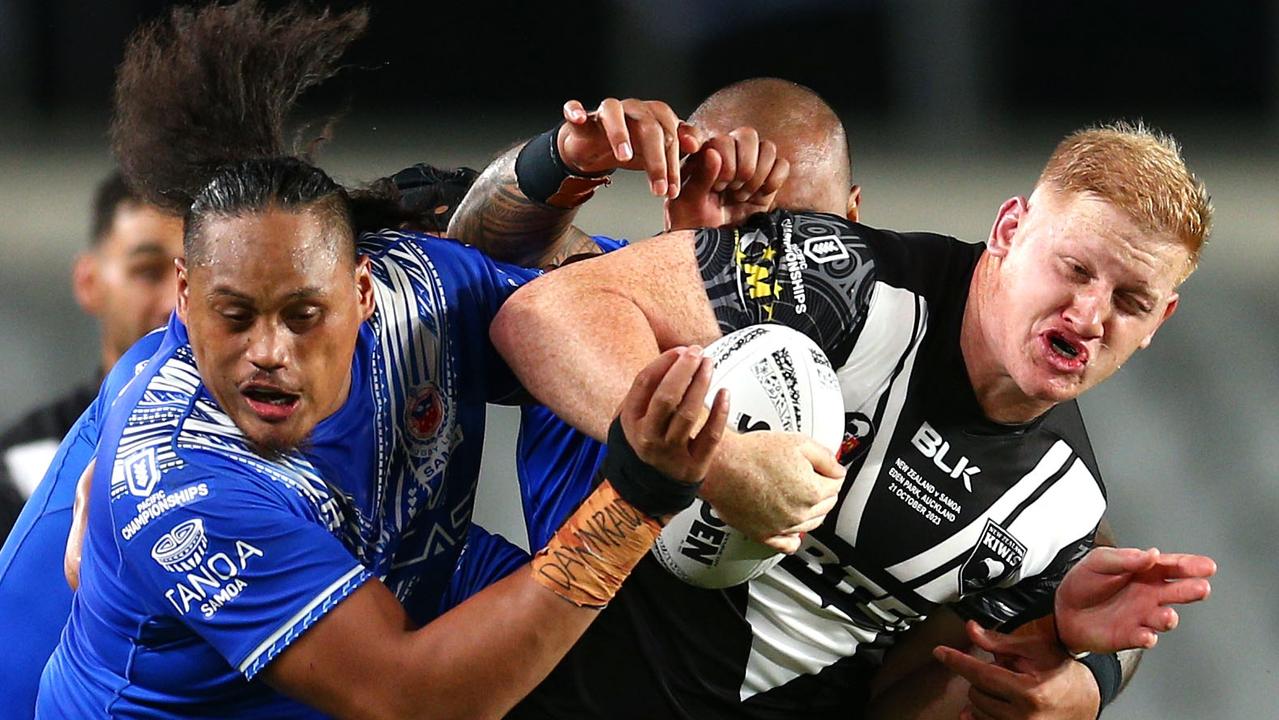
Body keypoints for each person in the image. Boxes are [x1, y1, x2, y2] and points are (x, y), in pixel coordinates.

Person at [31, 3, 755, 718]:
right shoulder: (178, 478)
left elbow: (579, 294)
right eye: (235, 317)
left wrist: (684, 237)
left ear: (362, 292)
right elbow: (410, 699)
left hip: (374, 596)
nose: (268, 354)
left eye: (303, 316)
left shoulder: (423, 292)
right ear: (185, 301)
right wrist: (636, 496)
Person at [474, 98, 1218, 718]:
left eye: (1129, 301)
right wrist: (719, 464)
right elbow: (540, 315)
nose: (1089, 316)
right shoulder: (843, 281)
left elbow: (902, 701)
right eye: (1074, 268)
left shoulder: (1062, 510)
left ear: (1161, 321)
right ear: (1008, 230)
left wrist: (1067, 667)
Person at [0, 173, 183, 544]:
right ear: (89, 282)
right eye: (148, 272)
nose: (174, 303)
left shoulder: (275, 444)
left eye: (195, 275)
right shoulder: (28, 465)